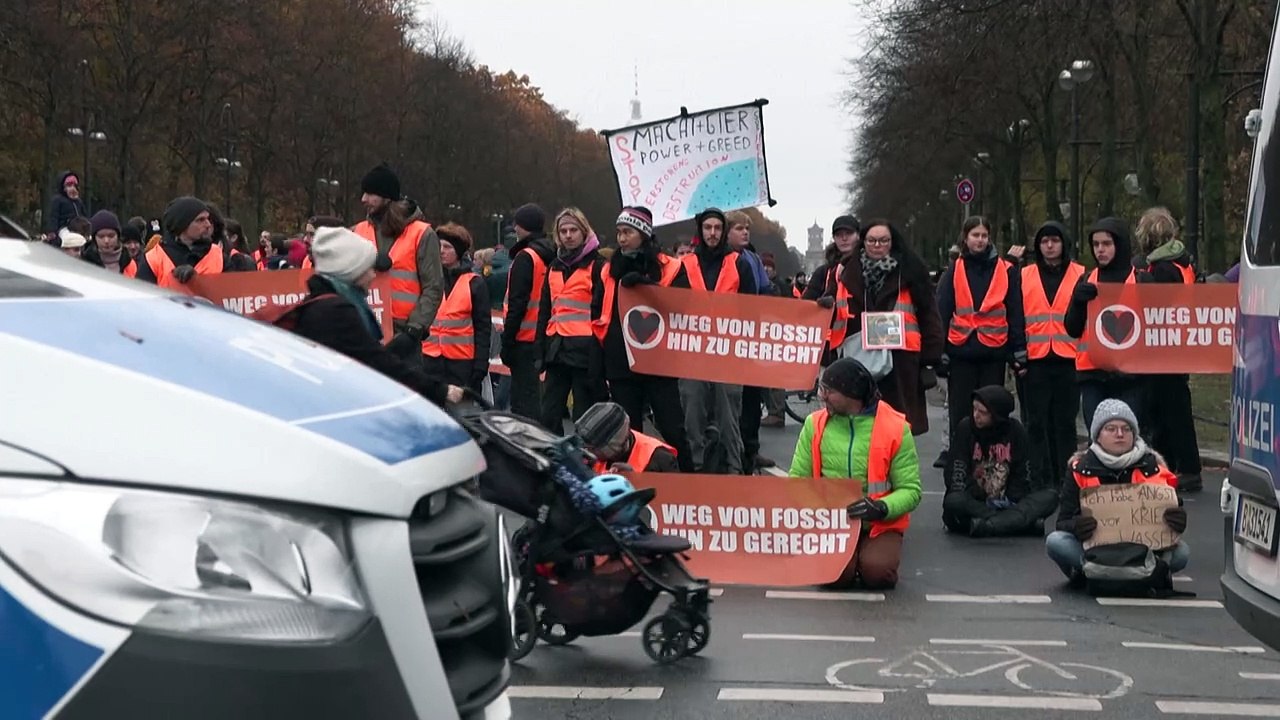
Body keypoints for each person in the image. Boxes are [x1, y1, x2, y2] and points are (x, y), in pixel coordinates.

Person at [285, 226, 463, 409]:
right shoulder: (337, 312)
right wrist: (439, 390)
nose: (373, 275)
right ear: (351, 270)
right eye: (368, 268)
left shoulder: (319, 302)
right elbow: (379, 363)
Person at [789, 358, 922, 590]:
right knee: (836, 577)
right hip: (833, 522)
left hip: (880, 523)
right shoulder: (814, 424)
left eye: (828, 391)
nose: (822, 396)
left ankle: (868, 553)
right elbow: (798, 481)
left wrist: (882, 508)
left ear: (851, 395)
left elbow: (911, 490)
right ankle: (849, 557)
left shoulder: (896, 428)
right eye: (821, 388)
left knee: (877, 574)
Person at [1046, 399, 1188, 585]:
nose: (1119, 434)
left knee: (1182, 552)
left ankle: (1101, 574)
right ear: (1097, 435)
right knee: (1056, 541)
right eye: (1111, 429)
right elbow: (1062, 522)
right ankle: (1121, 573)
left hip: (1143, 551)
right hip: (1096, 551)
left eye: (1126, 429)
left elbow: (1171, 518)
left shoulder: (1155, 467)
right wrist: (1077, 526)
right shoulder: (1079, 468)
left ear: (1134, 434)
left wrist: (1177, 520)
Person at [596, 206, 695, 472]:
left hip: (658, 360)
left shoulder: (671, 267)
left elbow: (683, 305)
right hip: (620, 360)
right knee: (626, 434)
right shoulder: (608, 269)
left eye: (627, 232)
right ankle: (629, 486)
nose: (622, 238)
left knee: (672, 427)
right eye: (618, 233)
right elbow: (598, 311)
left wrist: (646, 287)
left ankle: (688, 484)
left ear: (644, 233)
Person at [833, 219, 944, 436]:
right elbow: (831, 307)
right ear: (863, 242)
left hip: (901, 361)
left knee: (897, 428)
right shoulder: (847, 272)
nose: (877, 245)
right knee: (863, 427)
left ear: (892, 243)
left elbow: (929, 315)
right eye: (872, 240)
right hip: (859, 358)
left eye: (883, 240)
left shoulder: (911, 272)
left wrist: (931, 359)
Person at [673, 207, 757, 474]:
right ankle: (696, 469)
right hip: (693, 352)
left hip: (728, 352)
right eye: (708, 228)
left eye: (717, 228)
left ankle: (733, 470)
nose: (712, 233)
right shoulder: (684, 265)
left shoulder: (739, 263)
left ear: (723, 232)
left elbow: (750, 309)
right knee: (692, 412)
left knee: (729, 415)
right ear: (700, 231)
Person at [936, 216, 1027, 459]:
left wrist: (1019, 351)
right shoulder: (954, 270)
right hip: (961, 352)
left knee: (992, 412)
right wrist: (940, 353)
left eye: (984, 235)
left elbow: (1015, 311)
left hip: (993, 353)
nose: (980, 240)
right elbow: (942, 311)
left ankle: (992, 460)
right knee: (961, 414)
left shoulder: (1006, 270)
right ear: (965, 238)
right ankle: (961, 460)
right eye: (975, 235)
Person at [1135, 207, 1203, 493]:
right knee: (1176, 408)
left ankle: (1179, 466)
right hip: (1179, 342)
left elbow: (1157, 303)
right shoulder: (1182, 262)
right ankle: (1183, 466)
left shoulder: (1160, 268)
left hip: (1163, 345)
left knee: (1166, 410)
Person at [352, 164, 444, 365]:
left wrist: (414, 330)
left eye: (370, 193)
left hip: (403, 338)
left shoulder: (422, 234)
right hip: (364, 333)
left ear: (387, 197)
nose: (363, 199)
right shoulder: (358, 231)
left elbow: (433, 287)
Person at [1063, 217, 1148, 431]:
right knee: (1098, 438)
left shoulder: (1141, 280)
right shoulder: (1086, 280)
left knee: (1128, 438)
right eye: (1096, 244)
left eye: (1107, 244)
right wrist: (1078, 301)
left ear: (1120, 245)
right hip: (1093, 374)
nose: (1100, 250)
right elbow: (1072, 328)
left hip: (1132, 377)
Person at [1020, 221, 1085, 490]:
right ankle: (1039, 480)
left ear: (1063, 243)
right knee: (1035, 424)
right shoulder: (1024, 275)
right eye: (1044, 241)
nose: (1049, 245)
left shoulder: (1081, 274)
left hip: (1069, 358)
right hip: (1034, 360)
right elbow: (1016, 316)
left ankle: (1066, 478)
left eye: (1055, 240)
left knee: (1065, 424)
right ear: (1038, 245)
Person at [942, 386, 1057, 537]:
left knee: (1050, 497)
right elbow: (956, 472)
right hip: (976, 504)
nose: (976, 415)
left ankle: (988, 526)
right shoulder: (966, 428)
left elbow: (1025, 473)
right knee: (953, 501)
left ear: (997, 415)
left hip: (1009, 502)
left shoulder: (1015, 430)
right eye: (974, 409)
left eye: (982, 412)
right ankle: (1015, 524)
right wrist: (983, 502)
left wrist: (1011, 500)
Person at [537, 208, 607, 431]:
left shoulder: (598, 266)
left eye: (573, 230)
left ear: (584, 232)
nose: (568, 235)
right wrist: (539, 351)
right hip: (556, 350)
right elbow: (545, 311)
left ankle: (584, 461)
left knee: (583, 417)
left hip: (585, 353)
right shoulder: (554, 267)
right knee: (548, 414)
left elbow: (603, 313)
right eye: (563, 231)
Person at [726, 209, 777, 470]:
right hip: (725, 338)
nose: (745, 232)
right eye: (738, 228)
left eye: (747, 228)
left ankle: (751, 448)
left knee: (751, 398)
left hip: (750, 336)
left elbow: (765, 292)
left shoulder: (753, 259)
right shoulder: (723, 260)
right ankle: (731, 451)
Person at [421, 222, 491, 396]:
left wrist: (480, 366)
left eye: (447, 247)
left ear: (459, 252)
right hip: (430, 360)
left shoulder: (474, 283)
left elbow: (483, 328)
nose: (441, 251)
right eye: (438, 246)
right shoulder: (429, 280)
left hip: (461, 364)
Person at [502, 203, 556, 420]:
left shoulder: (526, 257)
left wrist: (507, 341)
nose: (514, 228)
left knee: (522, 404)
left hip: (522, 339)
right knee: (537, 399)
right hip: (543, 336)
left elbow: (517, 304)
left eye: (518, 224)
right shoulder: (549, 255)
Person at [133, 197, 225, 287]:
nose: (208, 225)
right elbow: (141, 298)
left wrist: (198, 281)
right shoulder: (154, 259)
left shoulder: (218, 254)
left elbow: (232, 293)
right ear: (182, 225)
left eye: (208, 219)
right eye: (200, 220)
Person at [577, 401, 680, 473]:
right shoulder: (589, 456)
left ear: (612, 446)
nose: (587, 451)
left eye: (592, 448)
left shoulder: (660, 459)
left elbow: (673, 499)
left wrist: (635, 481)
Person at [81, 210, 137, 277]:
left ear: (118, 236)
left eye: (111, 236)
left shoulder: (129, 263)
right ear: (94, 238)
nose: (106, 241)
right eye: (101, 236)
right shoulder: (84, 263)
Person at [46, 171, 87, 236]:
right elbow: (53, 217)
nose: (73, 188)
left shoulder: (79, 202)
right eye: (69, 185)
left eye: (75, 186)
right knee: (69, 237)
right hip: (64, 228)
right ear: (63, 187)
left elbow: (84, 215)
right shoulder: (58, 200)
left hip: (79, 228)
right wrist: (52, 231)